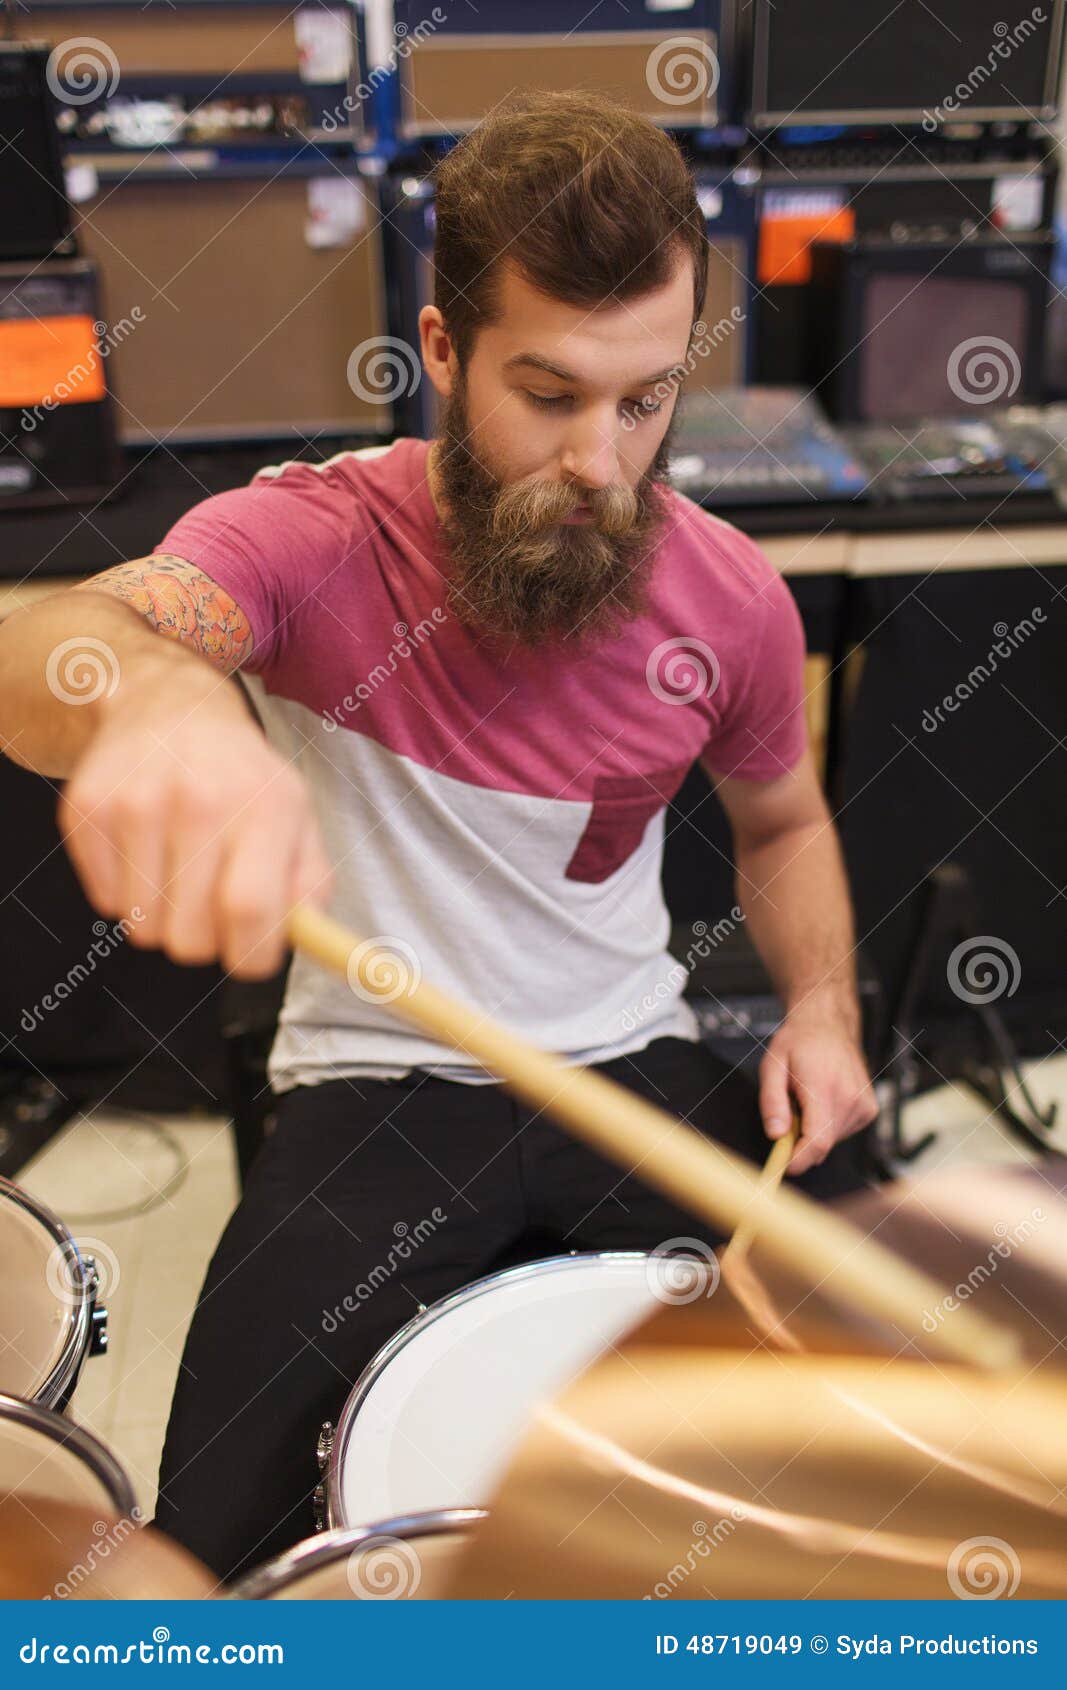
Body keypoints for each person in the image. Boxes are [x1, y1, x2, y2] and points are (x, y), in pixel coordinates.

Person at [0, 91, 878, 1580]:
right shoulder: (314, 537)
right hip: (382, 1081)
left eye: (646, 398)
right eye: (548, 393)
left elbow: (784, 822)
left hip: (633, 1058)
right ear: (446, 347)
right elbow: (69, 643)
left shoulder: (728, 596)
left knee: (919, 1424)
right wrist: (153, 703)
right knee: (212, 1551)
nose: (604, 460)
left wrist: (824, 1008)